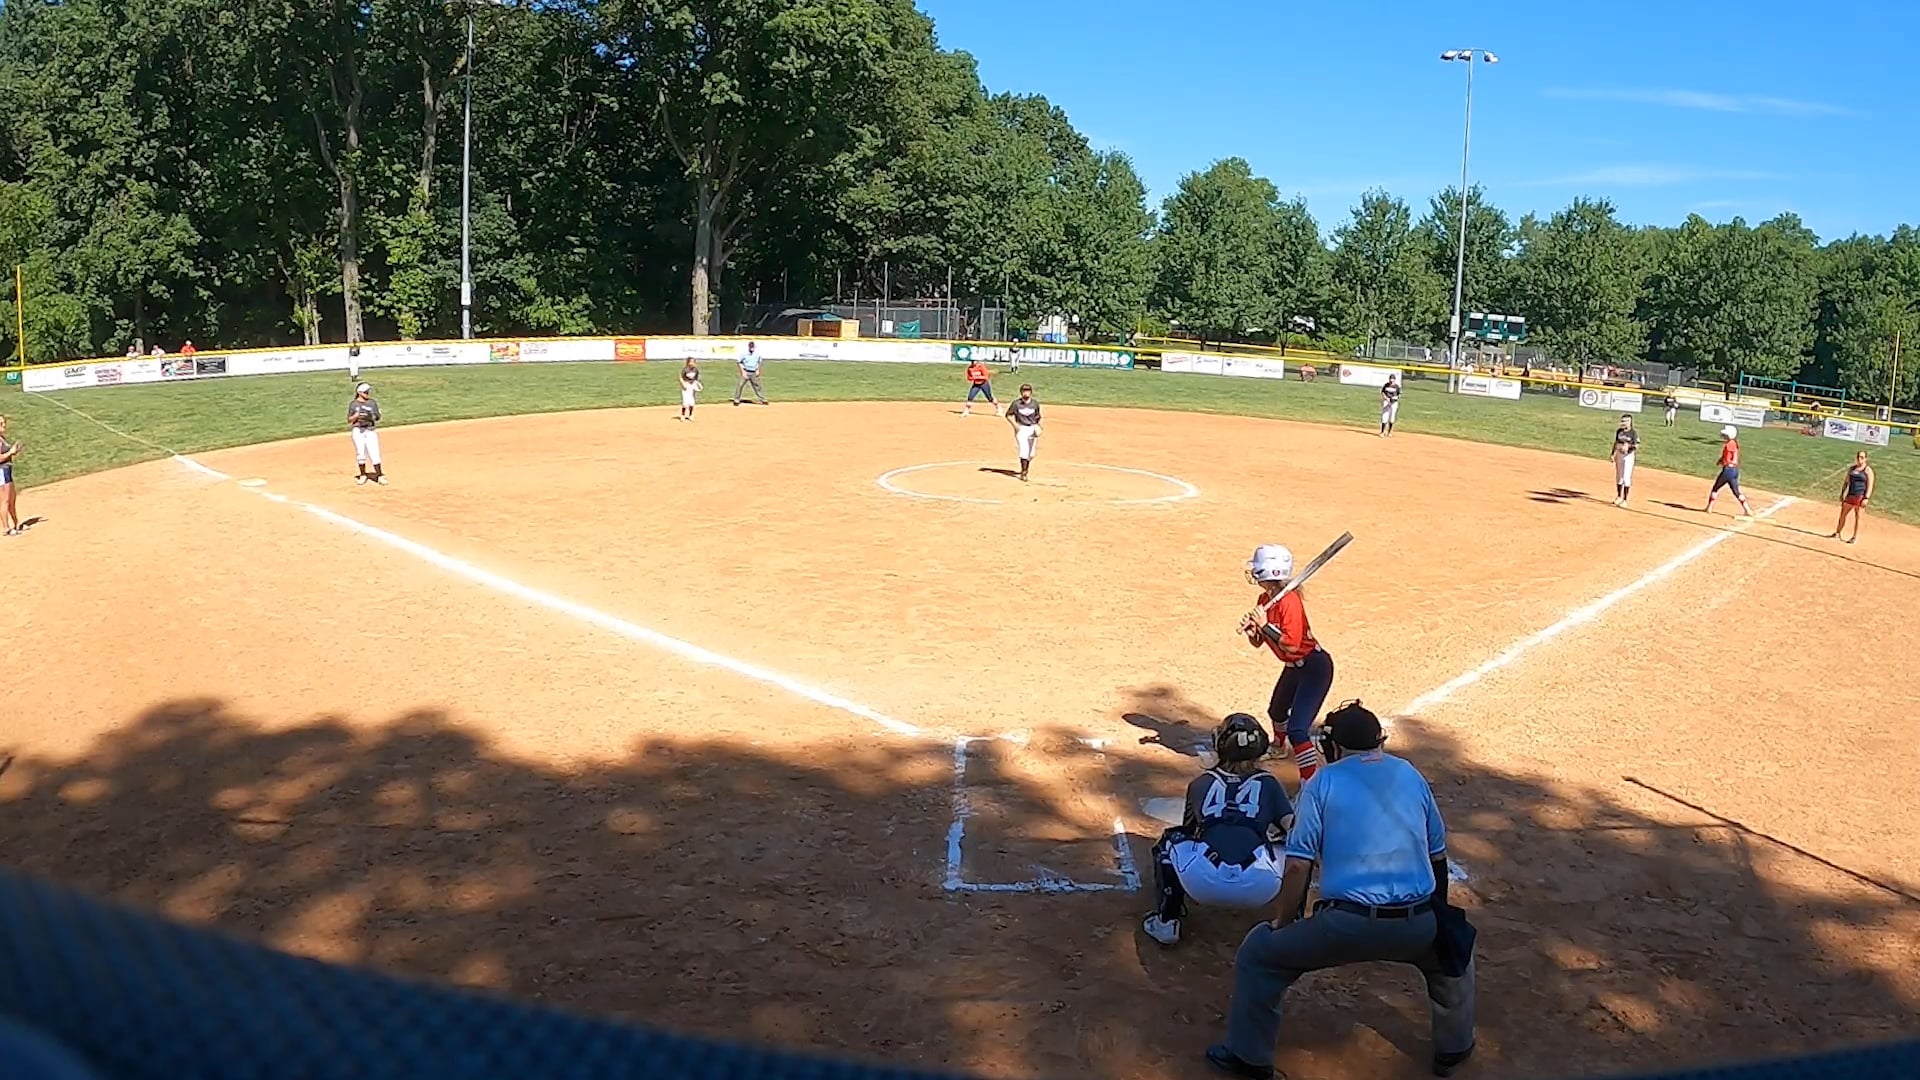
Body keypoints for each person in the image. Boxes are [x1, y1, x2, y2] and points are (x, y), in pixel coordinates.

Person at [1207, 701, 1475, 1080]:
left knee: (1258, 954)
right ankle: (1454, 1048)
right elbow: (1438, 855)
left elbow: (1298, 865)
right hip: (1417, 924)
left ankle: (1248, 1057)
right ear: (1378, 741)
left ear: (1334, 747)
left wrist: (1284, 922)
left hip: (1345, 927)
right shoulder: (1409, 774)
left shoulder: (1322, 783)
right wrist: (1440, 920)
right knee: (1454, 955)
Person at [1142, 714, 1295, 947]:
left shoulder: (1200, 783)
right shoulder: (1270, 783)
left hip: (1202, 883)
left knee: (1170, 840)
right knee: (1298, 847)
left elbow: (1190, 831)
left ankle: (1166, 922)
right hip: (1261, 886)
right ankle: (1292, 926)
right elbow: (1294, 829)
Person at [1238, 545, 1335, 790]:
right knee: (1277, 710)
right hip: (1293, 667)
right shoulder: (1265, 600)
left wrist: (1265, 625)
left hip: (1314, 667)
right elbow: (1260, 642)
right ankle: (1279, 747)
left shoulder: (1289, 602)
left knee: (1298, 730)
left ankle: (1310, 783)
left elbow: (1291, 644)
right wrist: (1254, 631)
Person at [1704, 424, 1754, 518]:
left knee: (1715, 488)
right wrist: (1721, 459)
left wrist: (1723, 461)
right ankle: (1747, 510)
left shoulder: (1729, 444)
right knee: (1736, 491)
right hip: (1734, 470)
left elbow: (1728, 457)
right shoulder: (1735, 443)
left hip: (1728, 470)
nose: (1724, 436)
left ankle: (1709, 508)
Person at [1832, 450, 1874, 544]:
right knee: (1843, 515)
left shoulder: (1867, 470)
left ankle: (1854, 537)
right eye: (1858, 457)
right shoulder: (1852, 469)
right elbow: (1846, 481)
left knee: (1858, 517)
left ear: (1866, 459)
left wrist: (1866, 498)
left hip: (1860, 496)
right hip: (1850, 494)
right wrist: (1843, 492)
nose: (1859, 459)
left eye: (1862, 457)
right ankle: (1837, 533)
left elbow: (1870, 485)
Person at [347, 382, 386, 485]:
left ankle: (379, 475)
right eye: (365, 392)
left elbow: (377, 417)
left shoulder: (372, 403)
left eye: (368, 392)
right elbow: (349, 420)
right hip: (358, 431)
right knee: (361, 453)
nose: (367, 393)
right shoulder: (353, 404)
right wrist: (357, 416)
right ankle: (363, 475)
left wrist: (370, 416)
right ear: (359, 393)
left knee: (374, 452)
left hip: (370, 430)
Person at [1004, 383, 1041, 481]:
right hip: (1021, 429)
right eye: (1024, 391)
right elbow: (1008, 415)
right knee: (1024, 450)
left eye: (1028, 391)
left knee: (1031, 454)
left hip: (1032, 428)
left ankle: (1025, 467)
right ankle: (1024, 472)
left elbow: (1037, 416)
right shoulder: (1016, 404)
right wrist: (1015, 425)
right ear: (1021, 392)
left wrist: (1037, 427)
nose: (1026, 393)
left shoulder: (1035, 404)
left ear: (1031, 392)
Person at [1610, 414, 1639, 507]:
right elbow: (1616, 442)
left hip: (1628, 456)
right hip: (1619, 454)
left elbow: (1636, 445)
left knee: (1626, 477)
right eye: (1622, 421)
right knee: (1619, 476)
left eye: (1626, 421)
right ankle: (1619, 496)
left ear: (1630, 422)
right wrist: (1612, 454)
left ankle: (1625, 500)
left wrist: (1628, 446)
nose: (1623, 423)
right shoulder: (1619, 431)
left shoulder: (1633, 433)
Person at [0, 415, 20, 536]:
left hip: (7, 470)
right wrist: (10, 452)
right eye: (1, 424)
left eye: (4, 423)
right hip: (1, 471)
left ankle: (16, 523)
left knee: (12, 499)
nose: (4, 425)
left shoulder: (1, 438)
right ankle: (6, 528)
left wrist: (13, 452)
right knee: (4, 500)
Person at [732, 341, 767, 406]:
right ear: (749, 347)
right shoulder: (744, 354)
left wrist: (758, 370)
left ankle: (763, 399)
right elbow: (739, 362)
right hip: (746, 371)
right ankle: (736, 400)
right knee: (740, 385)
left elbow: (759, 362)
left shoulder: (757, 354)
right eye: (750, 347)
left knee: (757, 386)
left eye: (752, 347)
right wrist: (743, 372)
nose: (751, 348)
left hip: (753, 372)